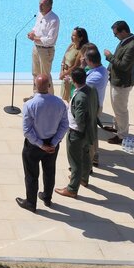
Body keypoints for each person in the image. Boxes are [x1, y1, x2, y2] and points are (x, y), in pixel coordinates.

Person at [16, 75, 69, 213]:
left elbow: (27, 130)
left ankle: (31, 203)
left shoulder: (30, 105)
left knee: (31, 175)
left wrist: (40, 144)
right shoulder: (59, 103)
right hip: (52, 144)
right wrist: (54, 142)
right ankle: (47, 197)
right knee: (49, 172)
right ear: (50, 86)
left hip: (33, 146)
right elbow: (64, 125)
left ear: (35, 86)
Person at [55, 68, 100, 199]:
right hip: (89, 132)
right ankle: (84, 178)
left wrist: (78, 133)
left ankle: (72, 189)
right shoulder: (91, 89)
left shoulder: (80, 98)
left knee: (75, 162)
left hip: (77, 133)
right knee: (85, 155)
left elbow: (79, 120)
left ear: (74, 81)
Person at [103, 21, 134, 145]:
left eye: (116, 34)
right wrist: (107, 70)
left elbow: (124, 66)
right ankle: (118, 128)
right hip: (116, 80)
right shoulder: (124, 41)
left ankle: (122, 135)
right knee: (116, 106)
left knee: (121, 109)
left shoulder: (132, 46)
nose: (115, 36)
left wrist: (109, 56)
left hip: (122, 83)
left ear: (123, 32)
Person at [25, 0, 59, 98]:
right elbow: (36, 27)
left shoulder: (54, 20)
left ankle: (50, 98)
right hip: (36, 48)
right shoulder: (40, 14)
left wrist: (34, 38)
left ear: (49, 6)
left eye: (42, 4)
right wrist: (32, 32)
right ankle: (36, 95)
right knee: (35, 73)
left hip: (46, 50)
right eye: (39, 4)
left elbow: (50, 39)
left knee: (45, 76)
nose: (39, 6)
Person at [83, 48, 109, 166]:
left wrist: (82, 67)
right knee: (92, 132)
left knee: (89, 133)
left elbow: (80, 84)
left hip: (91, 107)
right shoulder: (102, 70)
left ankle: (91, 157)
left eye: (86, 59)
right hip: (95, 105)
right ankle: (93, 154)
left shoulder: (96, 76)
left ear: (90, 61)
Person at [58, 27, 88, 102]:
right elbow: (64, 57)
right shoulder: (71, 45)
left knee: (68, 98)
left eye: (74, 35)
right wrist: (61, 70)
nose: (71, 37)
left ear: (81, 38)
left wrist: (64, 74)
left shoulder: (81, 50)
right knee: (63, 96)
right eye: (72, 35)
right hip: (65, 74)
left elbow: (75, 66)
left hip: (71, 76)